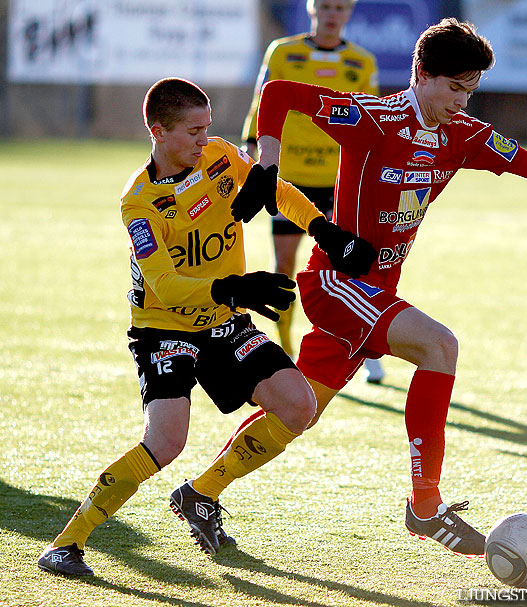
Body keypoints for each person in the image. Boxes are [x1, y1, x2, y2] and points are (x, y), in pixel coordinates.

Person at [234, 17, 527, 555]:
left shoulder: (464, 137)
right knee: (440, 346)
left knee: (298, 411)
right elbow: (278, 94)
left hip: (374, 294)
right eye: (454, 86)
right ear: (420, 73)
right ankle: (425, 506)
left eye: (471, 89)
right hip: (336, 281)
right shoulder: (372, 118)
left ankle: (200, 491)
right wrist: (266, 166)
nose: (463, 101)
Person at [37, 77, 376, 576]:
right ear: (159, 132)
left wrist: (328, 232)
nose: (204, 139)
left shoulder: (218, 156)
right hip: (163, 328)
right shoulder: (140, 203)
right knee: (166, 441)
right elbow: (167, 287)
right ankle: (67, 544)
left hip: (223, 320)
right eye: (193, 131)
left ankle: (200, 494)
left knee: (299, 406)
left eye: (207, 128)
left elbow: (276, 192)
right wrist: (235, 288)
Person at [241, 0, 386, 383]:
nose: (332, 13)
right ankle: (286, 348)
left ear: (349, 12)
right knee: (285, 266)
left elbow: (371, 118)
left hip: (341, 181)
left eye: (340, 7)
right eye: (325, 5)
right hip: (291, 179)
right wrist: (252, 150)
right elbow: (261, 102)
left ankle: (366, 350)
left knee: (352, 270)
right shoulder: (283, 51)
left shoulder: (362, 61)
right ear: (312, 9)